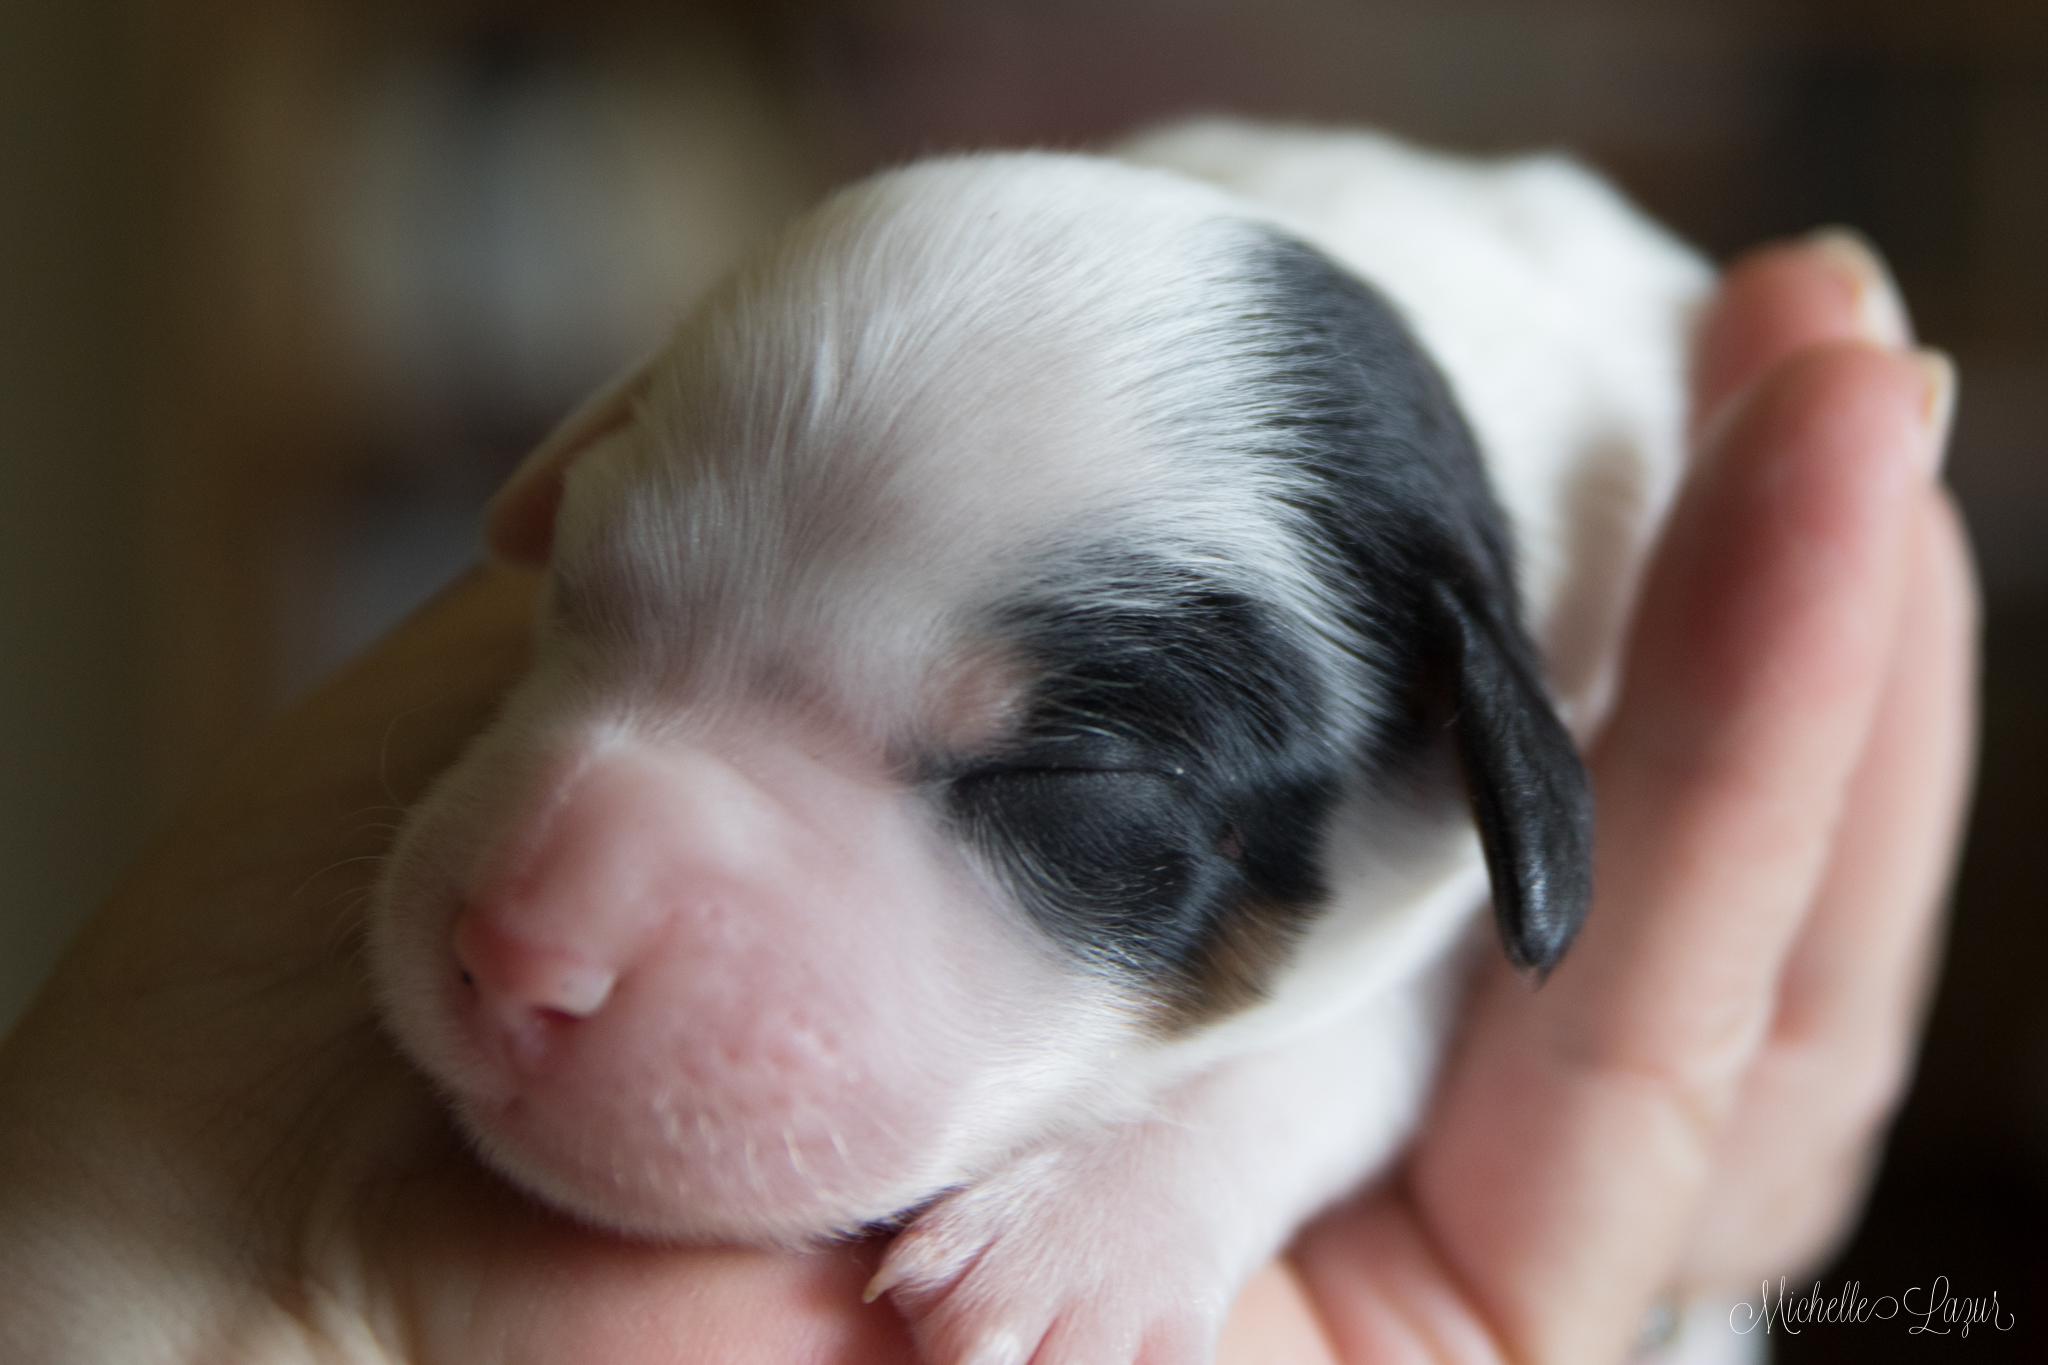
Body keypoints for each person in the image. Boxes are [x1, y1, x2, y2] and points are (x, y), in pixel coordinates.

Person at [0, 233, 1972, 1364]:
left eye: (1044, 787)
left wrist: (1198, 1165)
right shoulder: (947, 325)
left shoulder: (1571, 543)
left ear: (1496, 765)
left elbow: (1442, 960)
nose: (536, 917)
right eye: (588, 591)